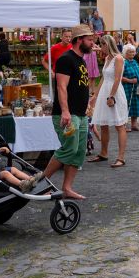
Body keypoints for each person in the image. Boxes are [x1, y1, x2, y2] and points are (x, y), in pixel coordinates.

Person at [44, 24, 95, 201]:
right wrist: (65, 111)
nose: (92, 43)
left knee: (79, 152)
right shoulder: (66, 59)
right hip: (67, 114)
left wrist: (87, 104)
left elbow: (80, 86)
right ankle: (40, 184)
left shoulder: (81, 60)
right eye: (89, 39)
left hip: (80, 114)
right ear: (79, 40)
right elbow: (61, 87)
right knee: (69, 149)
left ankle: (67, 188)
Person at [88, 35, 129, 168]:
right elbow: (103, 78)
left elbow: (117, 79)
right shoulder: (107, 58)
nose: (101, 47)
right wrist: (95, 95)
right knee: (103, 124)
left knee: (119, 125)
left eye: (102, 45)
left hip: (114, 92)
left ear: (108, 44)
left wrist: (111, 96)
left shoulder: (118, 58)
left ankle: (121, 157)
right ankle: (103, 153)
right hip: (105, 91)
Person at [120, 43, 139, 131]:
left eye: (133, 52)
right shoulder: (123, 63)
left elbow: (138, 73)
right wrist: (130, 80)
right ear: (125, 53)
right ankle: (123, 125)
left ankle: (134, 124)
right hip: (127, 87)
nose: (133, 53)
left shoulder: (134, 62)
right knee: (126, 105)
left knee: (136, 105)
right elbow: (119, 77)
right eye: (130, 52)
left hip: (136, 87)